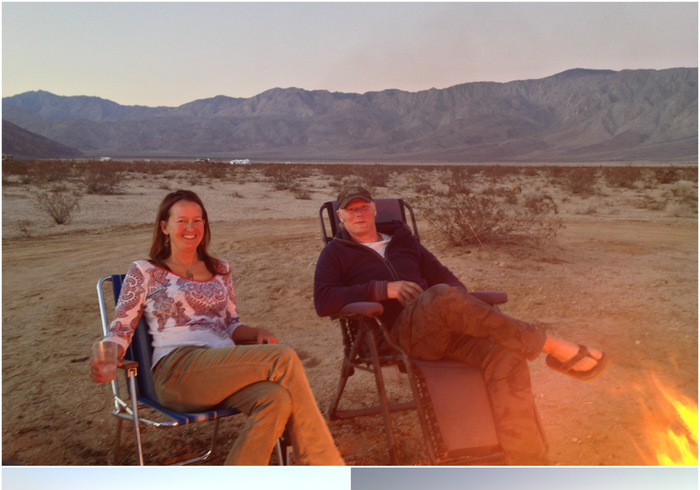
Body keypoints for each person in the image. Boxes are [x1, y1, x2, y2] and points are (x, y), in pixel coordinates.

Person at [313, 185, 610, 465]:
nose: (358, 214)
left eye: (363, 207)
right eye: (350, 211)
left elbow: (449, 279)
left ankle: (528, 463)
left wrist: (457, 305)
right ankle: (552, 346)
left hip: (445, 330)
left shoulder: (404, 242)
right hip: (397, 335)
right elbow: (323, 300)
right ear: (340, 217)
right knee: (442, 296)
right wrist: (382, 289)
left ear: (375, 210)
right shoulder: (336, 253)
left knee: (506, 355)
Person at [90, 189, 343, 466]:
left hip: (221, 370)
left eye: (198, 220)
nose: (191, 228)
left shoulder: (220, 269)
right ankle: (324, 464)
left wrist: (255, 333)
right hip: (178, 372)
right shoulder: (145, 271)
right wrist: (107, 353)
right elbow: (120, 330)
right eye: (182, 221)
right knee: (283, 358)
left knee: (277, 398)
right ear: (164, 227)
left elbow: (232, 324)